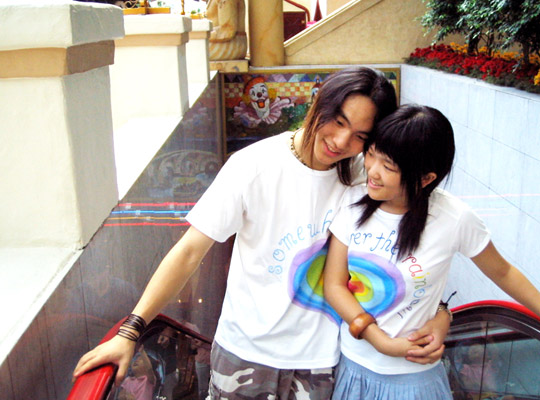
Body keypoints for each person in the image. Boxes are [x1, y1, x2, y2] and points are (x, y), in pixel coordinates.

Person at [73, 67, 450, 399]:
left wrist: (440, 312)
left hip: (320, 364)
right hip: (243, 355)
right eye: (337, 121)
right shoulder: (253, 166)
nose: (340, 141)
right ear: (316, 102)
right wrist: (131, 330)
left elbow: (411, 250)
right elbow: (189, 252)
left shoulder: (363, 178)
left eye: (359, 136)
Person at [323, 104, 540, 400]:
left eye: (388, 167)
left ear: (426, 179)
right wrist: (379, 340)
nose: (372, 171)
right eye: (371, 154)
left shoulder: (453, 217)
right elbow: (334, 285)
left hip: (415, 379)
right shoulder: (353, 202)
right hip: (354, 367)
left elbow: (503, 272)